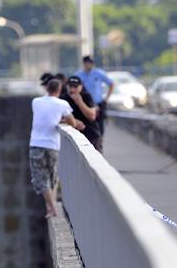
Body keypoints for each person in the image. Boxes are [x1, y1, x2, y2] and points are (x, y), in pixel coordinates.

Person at [29, 79, 76, 218]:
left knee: (40, 178)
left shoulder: (36, 102)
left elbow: (42, 116)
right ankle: (53, 206)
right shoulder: (62, 104)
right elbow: (72, 122)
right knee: (52, 177)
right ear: (59, 90)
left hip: (36, 144)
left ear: (47, 89)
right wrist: (61, 120)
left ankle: (51, 208)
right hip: (53, 145)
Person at [60, 76, 103, 151]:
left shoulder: (86, 96)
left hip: (90, 135)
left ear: (81, 87)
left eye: (75, 87)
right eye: (70, 86)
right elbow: (56, 117)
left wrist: (80, 102)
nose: (72, 90)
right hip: (72, 137)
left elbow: (92, 116)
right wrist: (73, 121)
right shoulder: (63, 99)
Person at [74, 56, 114, 135]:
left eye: (91, 63)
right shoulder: (78, 75)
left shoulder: (98, 73)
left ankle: (99, 143)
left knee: (100, 127)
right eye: (88, 63)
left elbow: (111, 84)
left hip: (98, 104)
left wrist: (106, 98)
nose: (90, 65)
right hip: (85, 104)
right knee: (87, 127)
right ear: (84, 63)